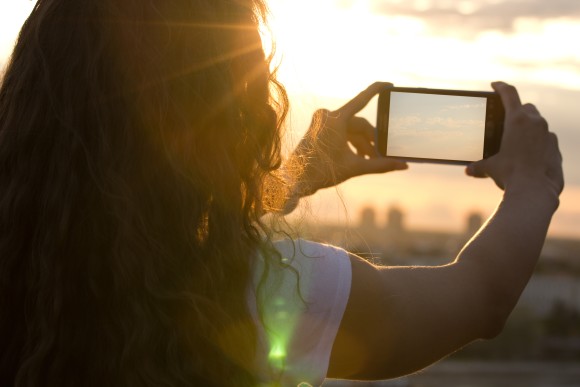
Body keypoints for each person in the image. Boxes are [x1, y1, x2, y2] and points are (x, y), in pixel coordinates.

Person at [0, 0, 563, 386]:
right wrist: (532, 186)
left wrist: (288, 182)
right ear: (225, 120)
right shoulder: (267, 293)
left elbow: (136, 220)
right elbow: (479, 298)